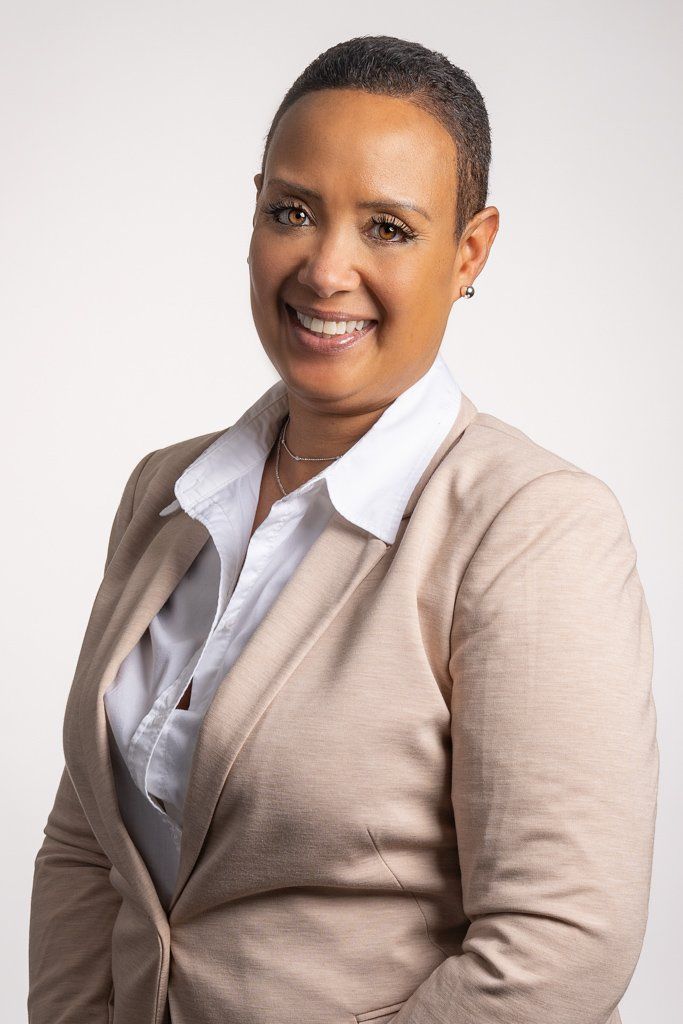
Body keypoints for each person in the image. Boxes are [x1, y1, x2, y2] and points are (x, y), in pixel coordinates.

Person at [27, 34, 658, 1024]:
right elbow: (85, 845)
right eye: (292, 212)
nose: (325, 270)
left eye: (387, 228)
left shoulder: (531, 527)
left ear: (469, 252)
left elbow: (560, 942)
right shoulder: (166, 492)